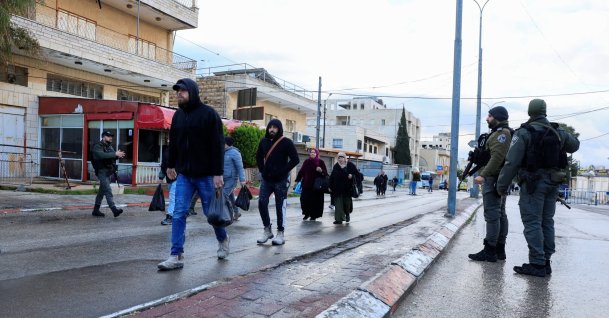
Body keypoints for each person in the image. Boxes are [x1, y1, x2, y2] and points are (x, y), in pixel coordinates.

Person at [497, 99, 579, 277]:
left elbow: (512, 162)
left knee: (532, 222)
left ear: (530, 112)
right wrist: (561, 134)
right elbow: (575, 145)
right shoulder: (557, 131)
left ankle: (537, 263)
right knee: (547, 222)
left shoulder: (524, 132)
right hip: (553, 184)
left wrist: (502, 185)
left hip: (533, 185)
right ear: (545, 111)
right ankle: (546, 261)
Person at [157, 78, 227, 271]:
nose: (179, 93)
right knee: (178, 213)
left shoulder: (209, 114)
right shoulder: (178, 116)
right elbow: (174, 142)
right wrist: (170, 165)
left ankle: (222, 239)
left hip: (206, 175)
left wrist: (217, 173)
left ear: (193, 92)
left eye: (183, 91)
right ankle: (176, 255)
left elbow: (217, 145)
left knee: (211, 214)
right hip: (185, 175)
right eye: (177, 91)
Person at [468, 106, 512, 263]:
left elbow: (497, 158)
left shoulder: (502, 134)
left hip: (494, 178)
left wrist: (483, 175)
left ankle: (490, 250)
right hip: (498, 178)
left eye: (490, 116)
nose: (487, 119)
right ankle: (499, 249)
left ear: (498, 117)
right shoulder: (499, 133)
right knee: (499, 213)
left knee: (493, 214)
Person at [255, 119, 300, 245]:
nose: (272, 129)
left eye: (275, 127)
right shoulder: (263, 141)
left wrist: (283, 171)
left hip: (280, 180)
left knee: (280, 206)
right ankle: (267, 230)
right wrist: (262, 170)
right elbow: (258, 156)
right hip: (266, 179)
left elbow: (295, 159)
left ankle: (280, 233)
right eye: (270, 127)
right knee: (261, 203)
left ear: (279, 129)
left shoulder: (286, 142)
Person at [91, 130, 125, 217]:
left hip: (108, 171)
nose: (110, 138)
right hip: (101, 171)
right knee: (108, 190)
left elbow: (111, 157)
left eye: (111, 136)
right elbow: (102, 155)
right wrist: (114, 154)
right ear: (103, 137)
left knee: (101, 192)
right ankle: (114, 210)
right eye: (108, 136)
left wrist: (118, 156)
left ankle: (95, 210)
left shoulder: (109, 147)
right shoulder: (97, 146)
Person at [295, 148, 328, 221]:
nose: (312, 153)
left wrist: (321, 170)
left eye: (314, 152)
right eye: (311, 152)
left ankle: (314, 215)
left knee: (315, 202)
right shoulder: (306, 161)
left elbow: (326, 173)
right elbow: (302, 171)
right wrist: (297, 179)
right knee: (304, 200)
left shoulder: (320, 162)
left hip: (316, 186)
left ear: (317, 154)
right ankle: (306, 214)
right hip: (306, 185)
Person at [329, 152, 358, 224]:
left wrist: (352, 176)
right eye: (339, 157)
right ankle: (339, 219)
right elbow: (332, 177)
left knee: (346, 204)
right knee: (338, 204)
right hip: (337, 189)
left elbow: (359, 175)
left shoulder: (350, 165)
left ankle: (347, 214)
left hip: (347, 190)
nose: (340, 159)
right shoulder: (336, 166)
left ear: (345, 158)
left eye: (342, 157)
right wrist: (329, 186)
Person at [223, 136, 246, 221]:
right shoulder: (222, 152)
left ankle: (227, 216)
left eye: (223, 143)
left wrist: (242, 180)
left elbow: (240, 167)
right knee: (231, 197)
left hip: (231, 179)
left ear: (227, 144)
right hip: (223, 179)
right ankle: (236, 212)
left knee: (223, 196)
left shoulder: (235, 153)